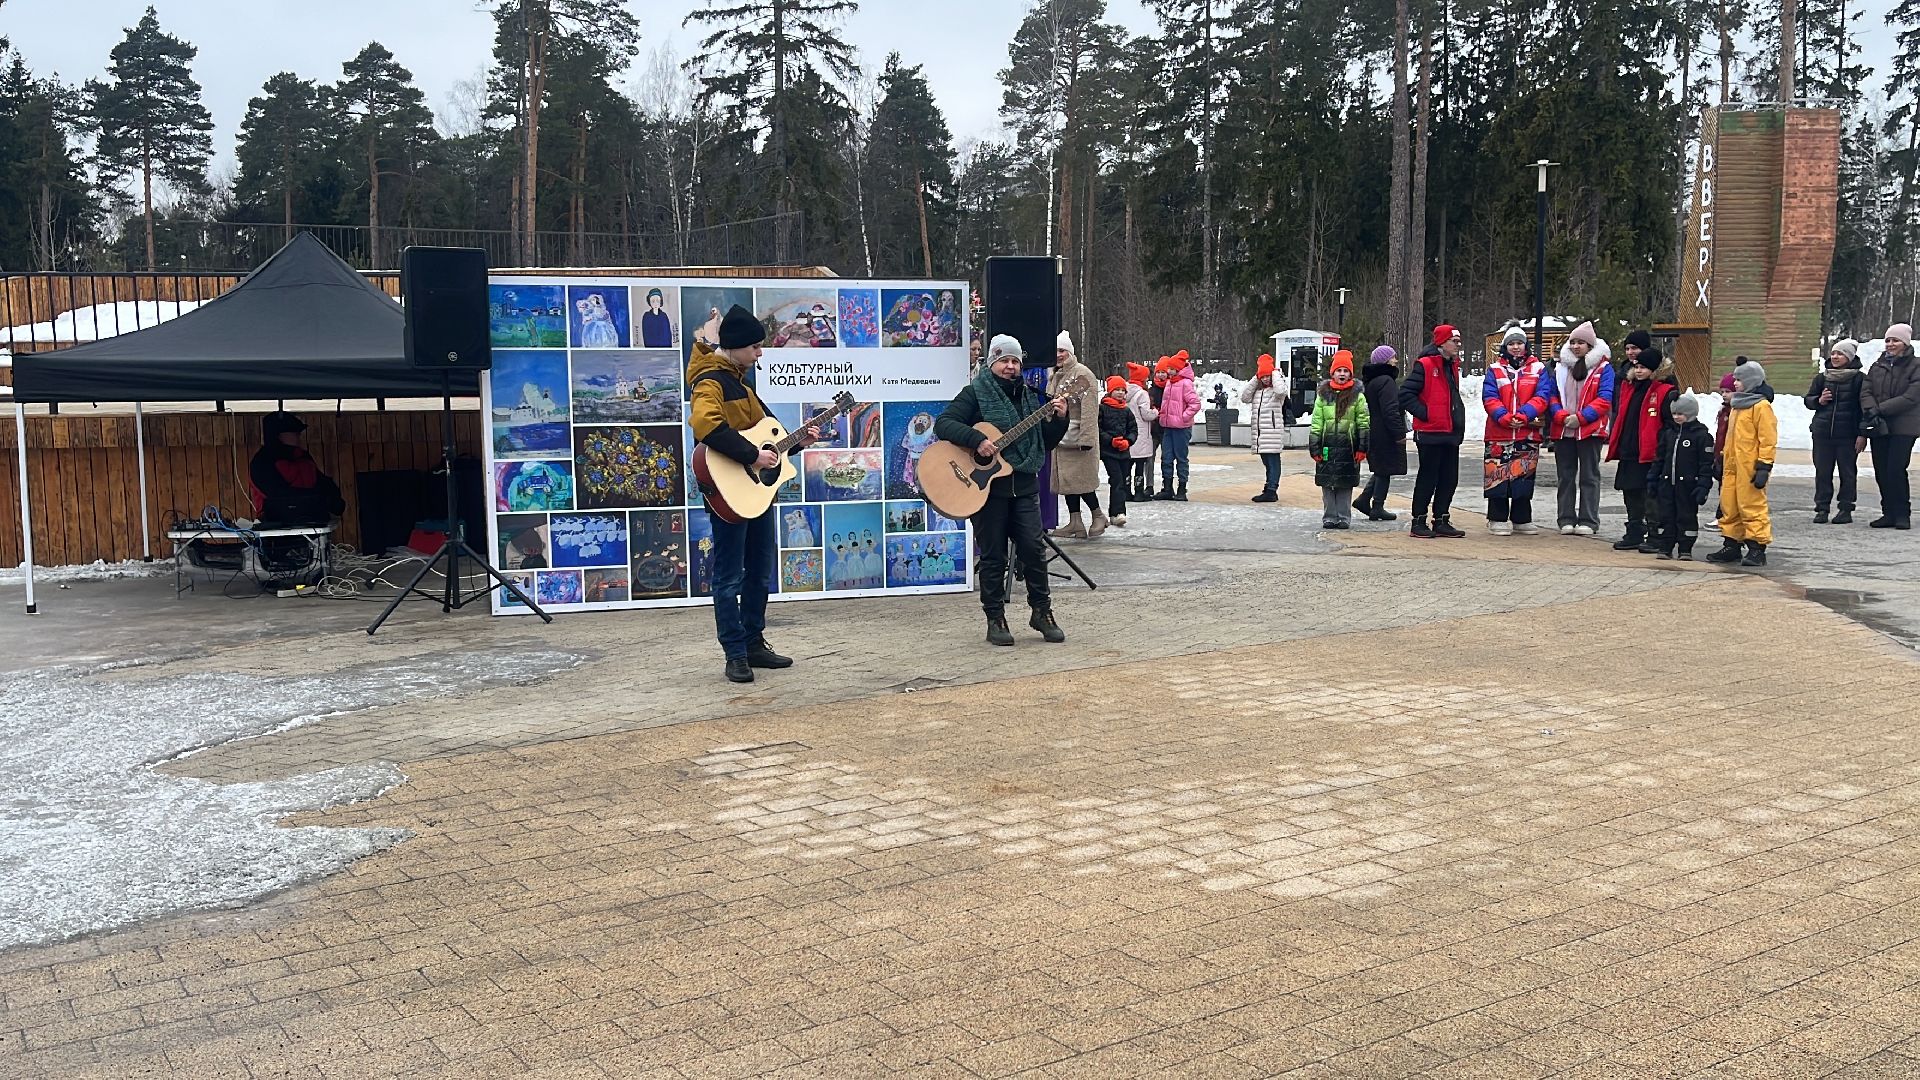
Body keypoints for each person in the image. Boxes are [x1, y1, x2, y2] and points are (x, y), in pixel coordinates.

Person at [688, 304, 819, 683]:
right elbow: (706, 427)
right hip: (728, 495)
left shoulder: (741, 383)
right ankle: (734, 653)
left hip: (756, 494)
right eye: (755, 347)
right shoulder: (710, 381)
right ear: (736, 346)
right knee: (729, 576)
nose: (760, 354)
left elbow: (769, 444)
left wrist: (799, 442)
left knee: (759, 572)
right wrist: (751, 455)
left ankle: (753, 643)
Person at [936, 335, 1070, 645]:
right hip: (986, 491)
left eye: (1014, 362)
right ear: (991, 363)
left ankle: (1042, 613)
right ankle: (995, 618)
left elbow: (1043, 442)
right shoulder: (975, 394)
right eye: (1003, 361)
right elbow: (944, 424)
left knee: (1035, 551)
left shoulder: (1029, 397)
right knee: (994, 556)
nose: (1010, 367)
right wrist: (975, 440)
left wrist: (1060, 419)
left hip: (1023, 485)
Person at [1398, 324, 1467, 538]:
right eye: (1454, 341)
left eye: (1458, 341)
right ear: (1441, 342)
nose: (1458, 345)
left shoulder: (1452, 365)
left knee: (1449, 478)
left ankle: (1441, 519)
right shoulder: (1425, 364)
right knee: (1428, 477)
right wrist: (1425, 413)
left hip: (1450, 431)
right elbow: (1406, 393)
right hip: (1430, 432)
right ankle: (1418, 520)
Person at [1607, 344, 1677, 552]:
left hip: (1651, 453)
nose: (1638, 371)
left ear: (1654, 370)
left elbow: (1669, 424)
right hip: (1630, 449)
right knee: (1630, 492)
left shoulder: (1665, 391)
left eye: (1644, 368)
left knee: (1650, 494)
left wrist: (1663, 449)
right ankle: (1635, 530)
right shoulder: (1629, 387)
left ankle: (1656, 534)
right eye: (1637, 367)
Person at [1706, 360, 1777, 567]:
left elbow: (1767, 439)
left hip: (1751, 468)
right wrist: (1721, 459)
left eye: (1739, 379)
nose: (1735, 383)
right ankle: (1732, 544)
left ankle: (1757, 548)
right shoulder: (1737, 405)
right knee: (1730, 504)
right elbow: (1730, 438)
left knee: (1751, 506)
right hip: (1732, 466)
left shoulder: (1761, 407)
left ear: (1751, 381)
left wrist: (1764, 466)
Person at [1549, 320, 1615, 536]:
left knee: (1589, 476)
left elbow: (1604, 399)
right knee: (1565, 476)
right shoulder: (1561, 367)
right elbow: (1552, 395)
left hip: (1590, 429)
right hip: (1564, 429)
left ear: (1590, 345)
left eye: (1581, 343)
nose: (1576, 346)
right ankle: (1566, 518)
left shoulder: (1603, 368)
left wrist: (1581, 417)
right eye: (1573, 342)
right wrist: (1560, 415)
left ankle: (1589, 520)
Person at [1481, 327, 1550, 534]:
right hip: (1498, 432)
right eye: (1511, 343)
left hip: (1526, 431)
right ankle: (1497, 518)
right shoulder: (1494, 369)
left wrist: (1524, 415)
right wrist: (1502, 416)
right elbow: (1489, 396)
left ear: (1525, 345)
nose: (1516, 347)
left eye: (1519, 343)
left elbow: (1543, 395)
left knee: (1523, 476)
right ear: (1505, 347)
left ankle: (1522, 518)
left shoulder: (1538, 369)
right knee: (1497, 477)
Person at [1047, 331, 1106, 537]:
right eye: (1054, 351)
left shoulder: (1083, 374)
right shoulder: (1055, 375)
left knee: (1082, 482)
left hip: (1078, 440)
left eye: (1061, 350)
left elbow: (1090, 410)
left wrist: (1087, 439)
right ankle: (1075, 522)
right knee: (1068, 483)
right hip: (1061, 439)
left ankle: (1098, 515)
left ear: (1070, 352)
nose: (1058, 355)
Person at [1863, 322, 1920, 529]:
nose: (1890, 344)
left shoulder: (1916, 365)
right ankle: (1888, 512)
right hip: (1879, 425)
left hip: (1904, 427)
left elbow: (1911, 397)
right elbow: (1866, 390)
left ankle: (1902, 514)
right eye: (1887, 340)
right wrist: (1871, 409)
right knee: (1881, 470)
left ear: (1905, 343)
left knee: (1896, 469)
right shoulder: (1877, 366)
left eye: (1895, 340)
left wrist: (1881, 408)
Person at [1805, 339, 1865, 524]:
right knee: (1822, 472)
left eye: (1840, 354)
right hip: (1823, 433)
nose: (1835, 357)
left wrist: (1862, 434)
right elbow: (1808, 400)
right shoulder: (1822, 377)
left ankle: (1845, 509)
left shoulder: (1859, 379)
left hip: (1847, 435)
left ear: (1849, 357)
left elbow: (1865, 408)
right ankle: (1822, 508)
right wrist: (1818, 400)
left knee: (1847, 473)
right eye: (1834, 353)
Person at [1649, 394, 1715, 560]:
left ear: (1691, 413)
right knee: (1665, 515)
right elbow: (1659, 459)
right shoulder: (1669, 434)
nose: (1676, 417)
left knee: (1686, 516)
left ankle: (1686, 547)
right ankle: (1665, 546)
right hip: (1666, 485)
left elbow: (1706, 465)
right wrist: (1652, 479)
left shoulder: (1701, 436)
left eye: (1680, 414)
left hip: (1688, 486)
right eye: (1674, 414)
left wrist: (1703, 486)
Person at [249, 412, 345, 525]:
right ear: (278, 435)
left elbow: (323, 483)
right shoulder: (262, 462)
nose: (298, 435)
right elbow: (279, 496)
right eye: (294, 432)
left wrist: (333, 499)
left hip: (312, 522)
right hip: (276, 529)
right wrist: (318, 498)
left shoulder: (302, 456)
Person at [1311, 352, 1370, 529]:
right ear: (1332, 373)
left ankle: (1344, 516)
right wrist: (1315, 446)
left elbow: (1364, 422)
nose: (1342, 374)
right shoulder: (1323, 396)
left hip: (1348, 448)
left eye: (1346, 371)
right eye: (1339, 370)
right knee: (1327, 483)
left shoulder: (1358, 397)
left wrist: (1362, 447)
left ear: (1351, 374)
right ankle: (1329, 516)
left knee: (1345, 484)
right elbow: (1316, 422)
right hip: (1327, 446)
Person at [1356, 345, 1406, 521]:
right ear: (1386, 361)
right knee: (1385, 469)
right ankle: (1378, 506)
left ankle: (1364, 499)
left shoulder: (1371, 381)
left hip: (1374, 429)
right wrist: (1399, 433)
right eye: (1393, 357)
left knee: (1380, 469)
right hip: (1384, 431)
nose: (1396, 360)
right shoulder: (1386, 381)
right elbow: (1390, 410)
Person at [1241, 352, 1289, 503]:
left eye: (1267, 376)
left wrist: (1274, 372)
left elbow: (1281, 390)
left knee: (1273, 462)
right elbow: (1244, 397)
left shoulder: (1277, 392)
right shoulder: (1258, 392)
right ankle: (1268, 487)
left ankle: (1272, 489)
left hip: (1272, 433)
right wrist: (1256, 377)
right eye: (1263, 376)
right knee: (1267, 463)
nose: (1266, 379)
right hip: (1261, 435)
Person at [1156, 350, 1202, 500]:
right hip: (1168, 426)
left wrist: (1183, 417)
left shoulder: (1185, 383)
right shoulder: (1170, 382)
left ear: (1178, 369)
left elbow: (1195, 404)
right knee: (1166, 457)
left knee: (1181, 458)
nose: (1168, 371)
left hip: (1181, 428)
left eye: (1171, 368)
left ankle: (1182, 488)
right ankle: (1167, 487)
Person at [1099, 377, 1140, 526]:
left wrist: (1128, 441)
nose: (1120, 393)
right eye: (1117, 390)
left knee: (1123, 482)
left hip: (1124, 452)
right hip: (1109, 452)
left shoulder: (1126, 410)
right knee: (1116, 480)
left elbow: (1134, 429)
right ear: (1110, 391)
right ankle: (1117, 512)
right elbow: (1098, 429)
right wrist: (1110, 440)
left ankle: (1117, 512)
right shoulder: (1102, 408)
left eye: (1123, 390)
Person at [1124, 362, 1159, 501]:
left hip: (1128, 433)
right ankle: (1139, 492)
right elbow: (1146, 414)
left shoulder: (1124, 390)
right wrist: (1155, 412)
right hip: (1141, 434)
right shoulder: (1142, 393)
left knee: (1127, 465)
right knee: (1139, 464)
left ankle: (1126, 491)